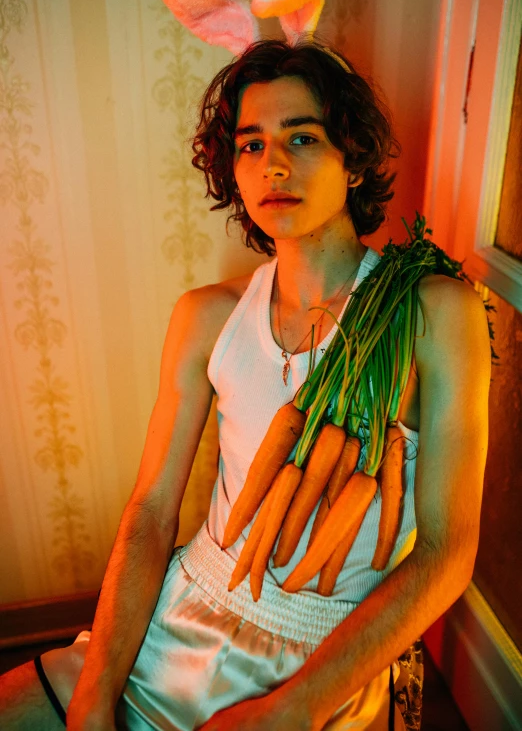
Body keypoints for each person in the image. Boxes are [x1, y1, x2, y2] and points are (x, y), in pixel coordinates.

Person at [0, 35, 491, 731]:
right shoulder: (207, 315)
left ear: (353, 163)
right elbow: (149, 513)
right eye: (252, 145)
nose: (275, 164)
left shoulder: (438, 311)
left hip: (320, 663)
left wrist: (287, 710)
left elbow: (448, 552)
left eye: (304, 137)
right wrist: (95, 691)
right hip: (185, 615)